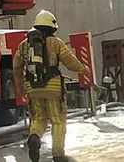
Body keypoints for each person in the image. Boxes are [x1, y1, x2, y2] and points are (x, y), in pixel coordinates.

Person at [13, 10, 90, 162]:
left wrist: (22, 87)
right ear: (52, 27)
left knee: (39, 118)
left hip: (33, 89)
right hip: (53, 90)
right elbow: (70, 61)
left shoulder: (23, 45)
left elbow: (16, 67)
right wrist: (84, 69)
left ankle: (34, 137)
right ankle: (58, 154)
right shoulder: (56, 43)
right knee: (57, 120)